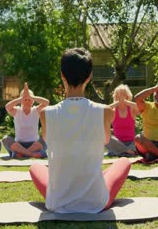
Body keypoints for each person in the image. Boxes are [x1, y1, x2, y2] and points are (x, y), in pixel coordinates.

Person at [29, 48, 131, 213]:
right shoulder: (105, 111)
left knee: (35, 167)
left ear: (62, 75)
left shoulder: (45, 113)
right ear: (89, 77)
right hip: (96, 203)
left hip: (57, 203)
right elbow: (105, 140)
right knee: (123, 162)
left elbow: (49, 141)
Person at [2, 83, 49, 158]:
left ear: (33, 101)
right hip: (19, 144)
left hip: (34, 144)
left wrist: (32, 97)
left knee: (46, 137)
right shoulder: (17, 111)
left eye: (29, 100)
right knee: (6, 139)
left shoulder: (35, 110)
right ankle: (31, 154)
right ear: (21, 101)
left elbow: (46, 103)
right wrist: (21, 98)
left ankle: (21, 154)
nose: (27, 101)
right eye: (25, 100)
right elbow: (7, 107)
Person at [106, 84, 140, 157]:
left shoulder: (131, 109)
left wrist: (126, 102)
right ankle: (127, 151)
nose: (121, 97)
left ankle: (119, 152)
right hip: (118, 142)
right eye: (119, 95)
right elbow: (105, 110)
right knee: (105, 136)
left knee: (140, 137)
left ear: (127, 96)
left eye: (123, 95)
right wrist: (117, 103)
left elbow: (139, 108)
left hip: (131, 142)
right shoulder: (113, 110)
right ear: (115, 96)